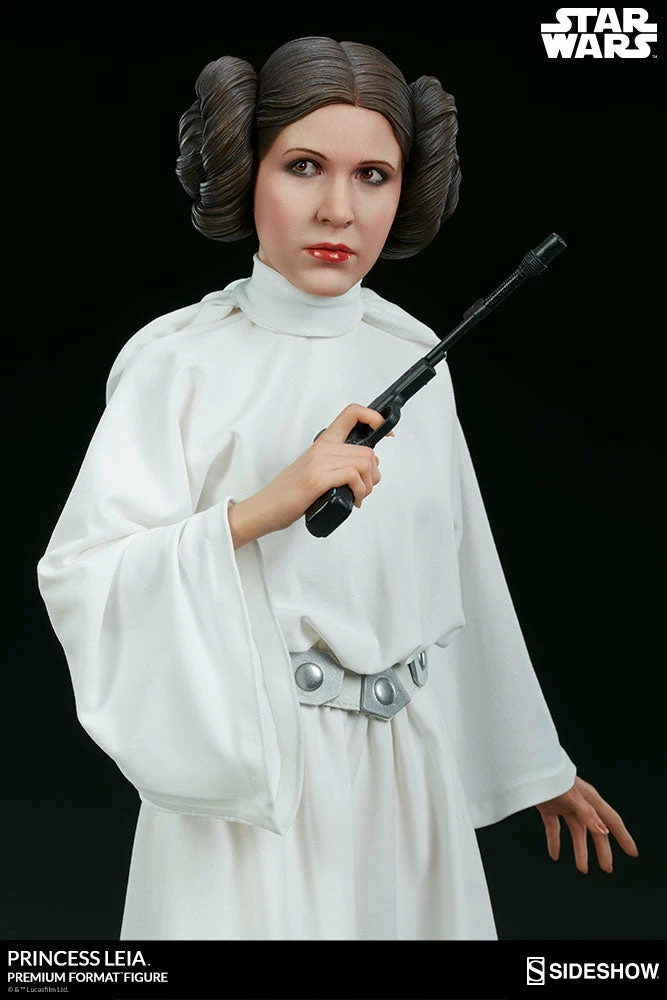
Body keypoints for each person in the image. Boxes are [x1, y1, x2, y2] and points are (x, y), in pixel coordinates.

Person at [36, 36, 637, 940]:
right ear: (247, 170)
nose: (337, 209)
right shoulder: (177, 362)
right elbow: (86, 576)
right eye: (304, 166)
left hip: (406, 776)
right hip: (254, 781)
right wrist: (262, 509)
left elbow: (462, 572)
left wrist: (532, 764)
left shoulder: (412, 352)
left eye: (372, 176)